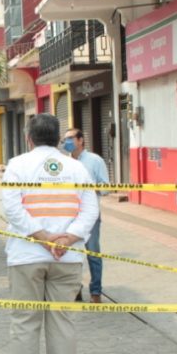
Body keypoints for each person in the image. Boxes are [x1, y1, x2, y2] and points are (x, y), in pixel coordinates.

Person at [1, 114, 99, 354]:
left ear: (29, 138)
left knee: (25, 322)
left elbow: (12, 208)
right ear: (59, 139)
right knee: (62, 322)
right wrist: (67, 238)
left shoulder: (17, 166)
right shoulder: (77, 168)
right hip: (67, 258)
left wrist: (42, 236)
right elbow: (90, 210)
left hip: (26, 256)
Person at [62, 128, 109, 303]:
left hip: (90, 216)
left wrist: (87, 190)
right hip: (68, 215)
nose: (66, 142)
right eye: (64, 139)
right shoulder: (63, 163)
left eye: (70, 138)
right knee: (71, 254)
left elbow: (106, 187)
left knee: (93, 252)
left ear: (81, 140)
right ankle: (76, 288)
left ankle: (96, 291)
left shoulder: (94, 160)